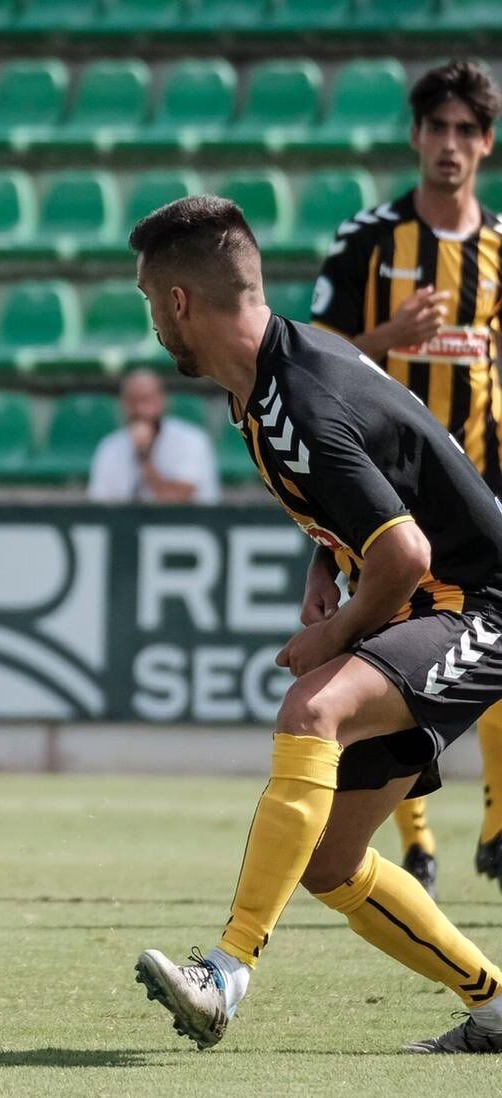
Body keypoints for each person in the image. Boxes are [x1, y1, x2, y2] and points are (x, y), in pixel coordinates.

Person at [130, 195, 502, 1055]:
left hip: (480, 603)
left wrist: (333, 637)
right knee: (333, 860)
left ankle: (225, 972)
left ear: (181, 302)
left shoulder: (296, 397)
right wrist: (326, 564)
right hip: (430, 597)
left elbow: (405, 552)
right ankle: (493, 1003)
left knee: (312, 710)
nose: (153, 320)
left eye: (152, 301)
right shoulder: (271, 374)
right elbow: (368, 493)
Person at [312, 58, 502, 900]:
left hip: (485, 500)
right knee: (382, 662)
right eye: (439, 128)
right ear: (417, 137)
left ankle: (496, 827)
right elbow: (303, 366)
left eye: (468, 130)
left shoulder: (501, 249)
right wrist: (387, 333)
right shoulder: (365, 241)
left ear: (486, 145)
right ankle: (409, 842)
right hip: (383, 503)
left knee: (491, 655)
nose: (451, 145)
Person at [86, 369, 219, 504]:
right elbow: (99, 505)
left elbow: (178, 498)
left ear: (162, 400)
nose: (139, 409)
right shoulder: (110, 447)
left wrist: (144, 458)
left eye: (146, 399)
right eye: (132, 401)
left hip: (186, 523)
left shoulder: (192, 440)